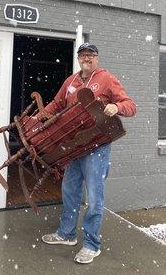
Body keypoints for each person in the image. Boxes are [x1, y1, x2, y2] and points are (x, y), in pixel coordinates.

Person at [41, 42, 137, 264]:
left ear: (97, 58)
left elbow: (130, 105)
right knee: (70, 190)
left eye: (91, 55)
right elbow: (57, 104)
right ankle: (67, 234)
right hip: (74, 146)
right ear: (78, 58)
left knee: (94, 197)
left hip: (96, 147)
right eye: (83, 55)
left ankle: (92, 245)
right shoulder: (71, 81)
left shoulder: (106, 79)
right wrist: (40, 117)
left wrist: (117, 107)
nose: (86, 59)